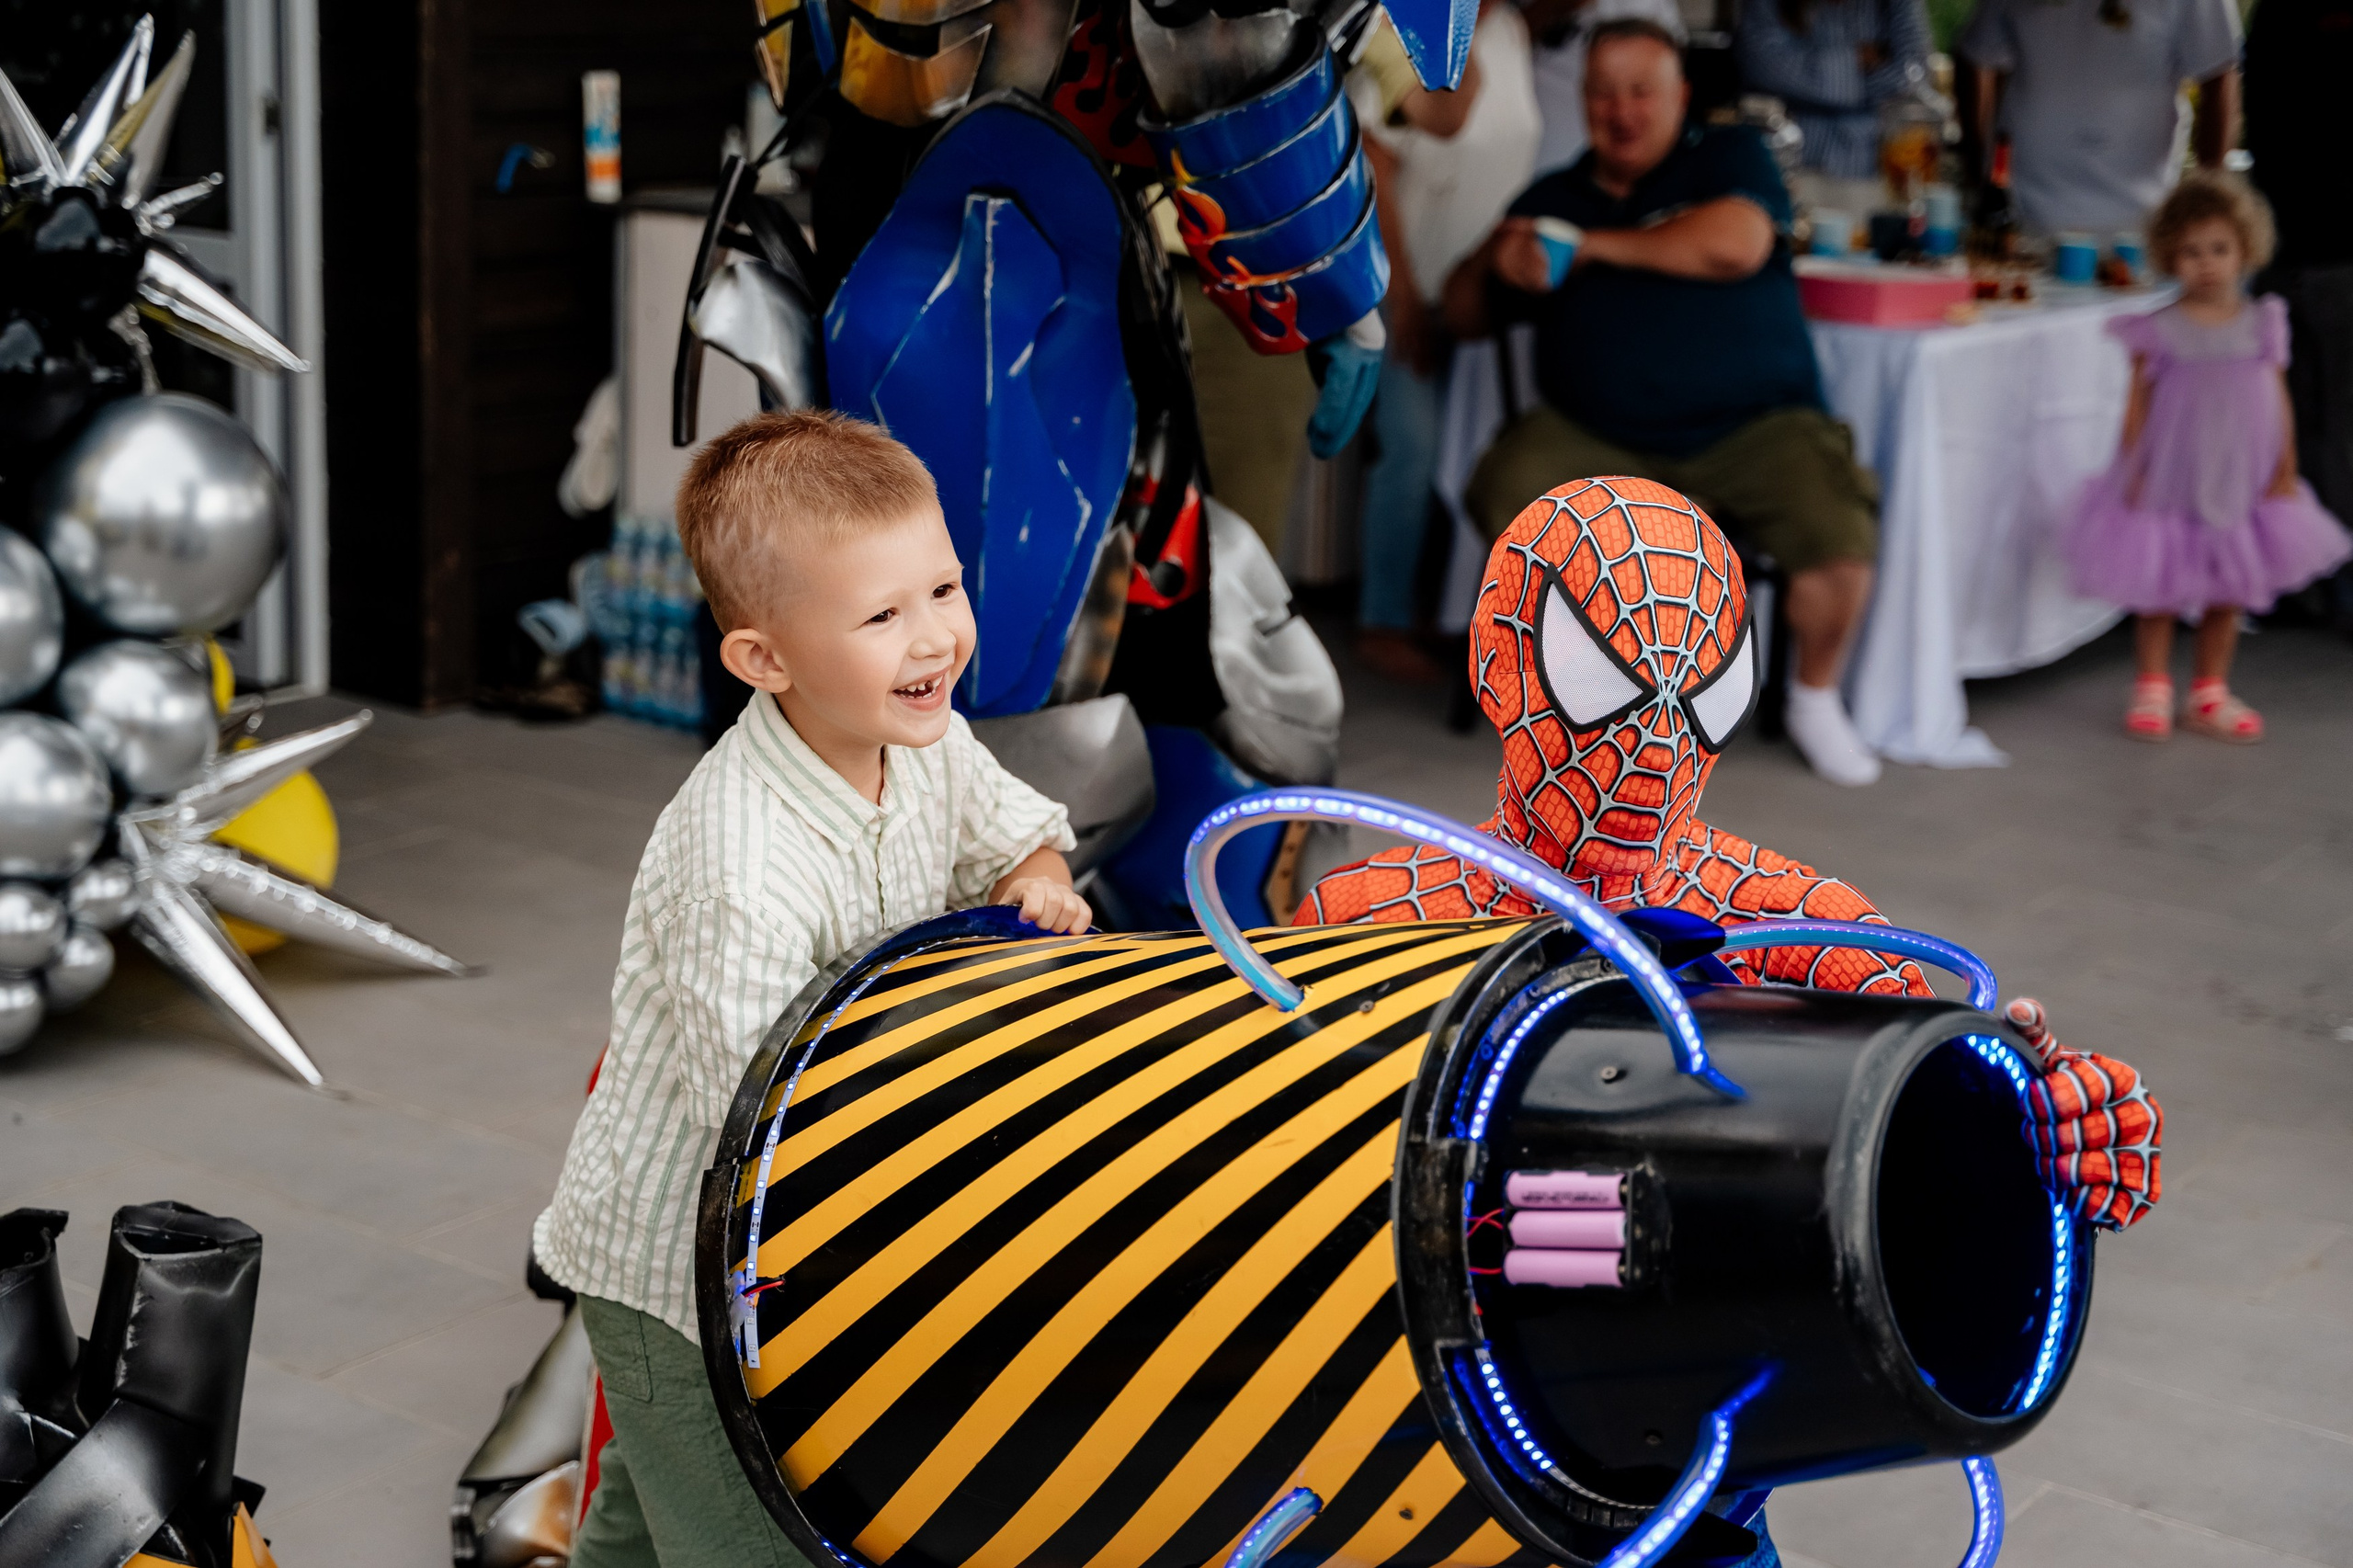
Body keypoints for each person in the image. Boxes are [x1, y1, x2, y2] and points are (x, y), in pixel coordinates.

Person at [1294, 475, 2164, 1232]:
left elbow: (1927, 1134)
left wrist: (2039, 1133)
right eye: (1602, 687)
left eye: (1704, 703)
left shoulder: (1805, 930)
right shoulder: (1366, 921)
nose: (1660, 752)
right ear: (1499, 660)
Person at [532, 410, 1090, 1568]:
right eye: (882, 614)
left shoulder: (921, 730)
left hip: (779, 1230)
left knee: (644, 1522)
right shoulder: (737, 862)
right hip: (689, 1275)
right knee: (746, 1532)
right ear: (764, 659)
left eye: (942, 588)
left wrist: (1036, 879)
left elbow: (1013, 831)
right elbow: (762, 1118)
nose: (934, 636)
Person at [1442, 19, 1884, 785]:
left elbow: (1737, 243)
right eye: (1604, 93)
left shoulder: (1727, 156)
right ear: (1582, 103)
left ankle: (1816, 699)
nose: (1623, 111)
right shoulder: (1555, 195)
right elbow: (1462, 318)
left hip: (1757, 428)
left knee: (1834, 529)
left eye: (1642, 92)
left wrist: (1586, 248)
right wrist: (1493, 262)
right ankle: (1587, 711)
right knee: (1517, 496)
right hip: (1596, 433)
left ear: (1680, 96)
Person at [2064, 175, 2351, 744]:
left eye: (2219, 250)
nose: (2206, 264)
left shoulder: (2263, 320)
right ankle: (2152, 684)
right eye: (2191, 252)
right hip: (2173, 475)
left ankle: (2209, 691)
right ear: (2170, 256)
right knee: (2160, 586)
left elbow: (2277, 396)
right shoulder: (2160, 328)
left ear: (2246, 249)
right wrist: (2133, 467)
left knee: (2231, 587)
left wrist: (2286, 462)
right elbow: (2137, 406)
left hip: (2240, 475)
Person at [1349, 2, 1542, 682]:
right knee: (1413, 450)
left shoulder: (1510, 31)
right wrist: (1402, 299)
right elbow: (1377, 171)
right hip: (1407, 287)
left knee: (1465, 449)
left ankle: (1447, 610)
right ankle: (1383, 619)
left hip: (1480, 295)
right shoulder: (1406, 27)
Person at [1957, 0, 2240, 238]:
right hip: (2018, 216)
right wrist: (1979, 171)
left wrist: (2208, 204)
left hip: (2137, 225)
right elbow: (1974, 54)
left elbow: (2219, 77)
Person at [1734, 0, 1934, 182]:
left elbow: (1910, 75)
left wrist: (1813, 78)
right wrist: (1857, 60)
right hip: (1785, 166)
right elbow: (1764, 67)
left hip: (1870, 170)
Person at [1521, 0, 1685, 176]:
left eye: (1640, 91)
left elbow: (1674, 66)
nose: (1622, 110)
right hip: (1550, 143)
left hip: (1648, 164)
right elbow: (1505, 36)